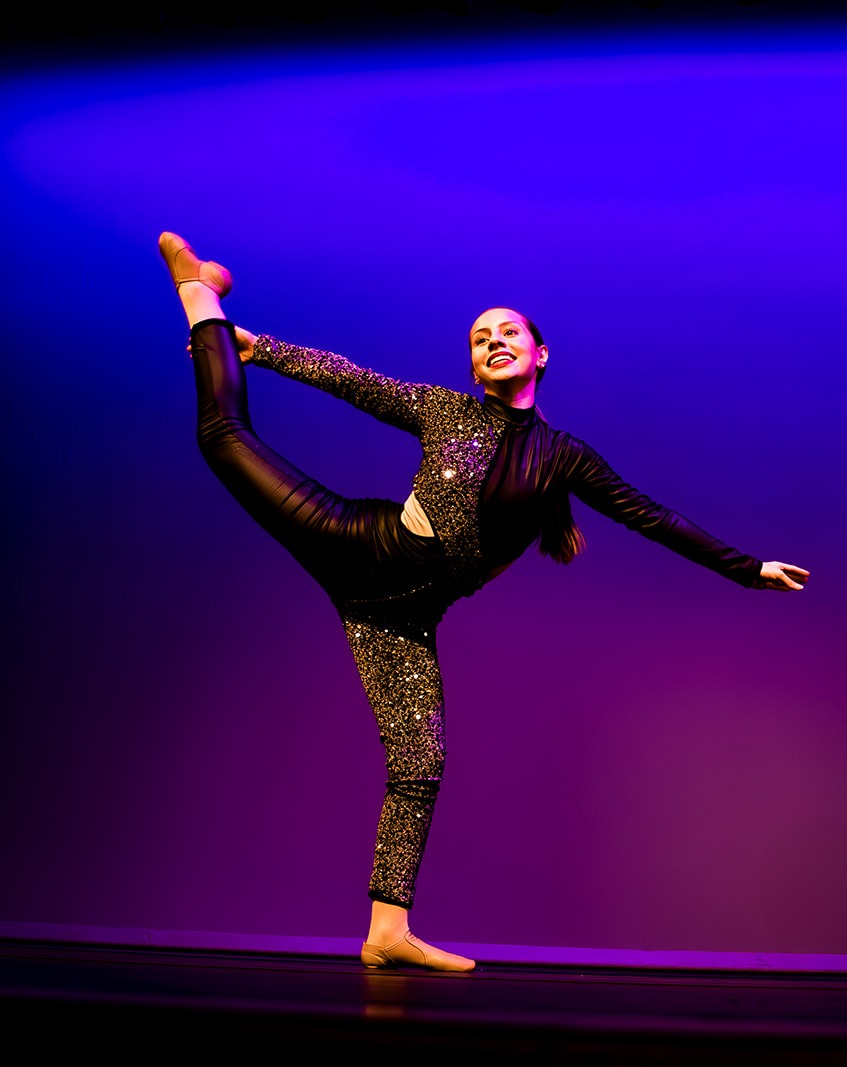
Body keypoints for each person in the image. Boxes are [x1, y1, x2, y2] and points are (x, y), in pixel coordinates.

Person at [159, 232, 809, 973]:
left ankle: (386, 931)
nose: (493, 342)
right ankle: (200, 295)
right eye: (480, 338)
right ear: (473, 366)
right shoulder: (445, 411)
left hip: (400, 620)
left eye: (508, 333)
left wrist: (746, 568)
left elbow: (649, 515)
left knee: (420, 760)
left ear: (540, 354)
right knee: (222, 437)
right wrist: (264, 349)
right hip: (355, 544)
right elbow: (354, 380)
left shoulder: (564, 457)